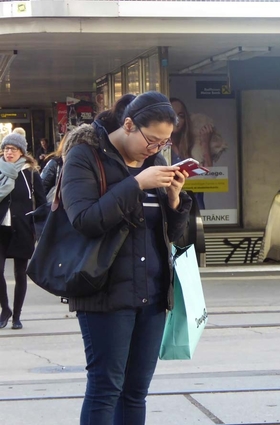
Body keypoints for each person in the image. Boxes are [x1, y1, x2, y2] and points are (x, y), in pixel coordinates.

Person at [61, 91, 192, 424]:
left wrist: (175, 201)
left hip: (151, 294)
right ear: (129, 125)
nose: (156, 149)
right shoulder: (84, 157)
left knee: (136, 392)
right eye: (152, 140)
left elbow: (170, 236)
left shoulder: (154, 163)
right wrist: (135, 184)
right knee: (106, 388)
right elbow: (85, 220)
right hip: (104, 292)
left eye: (164, 143)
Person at [0, 133, 45, 330]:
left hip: (23, 229)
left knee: (20, 273)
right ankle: (5, 310)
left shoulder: (31, 174)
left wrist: (35, 223)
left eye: (13, 149)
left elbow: (43, 203)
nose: (9, 152)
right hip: (1, 229)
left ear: (21, 153)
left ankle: (16, 316)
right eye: (6, 149)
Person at [169, 97, 227, 209]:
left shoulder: (192, 146)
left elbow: (209, 177)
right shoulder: (160, 148)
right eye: (172, 114)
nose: (177, 120)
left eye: (181, 116)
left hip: (195, 207)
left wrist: (205, 143)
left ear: (185, 120)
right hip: (172, 207)